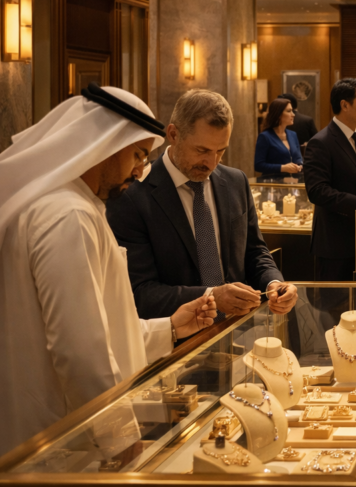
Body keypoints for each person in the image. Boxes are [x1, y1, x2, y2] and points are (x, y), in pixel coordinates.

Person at [0, 84, 216, 456]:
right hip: (59, 443)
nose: (140, 169)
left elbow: (102, 329)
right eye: (137, 154)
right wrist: (120, 439)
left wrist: (171, 327)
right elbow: (81, 350)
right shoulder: (69, 214)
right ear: (102, 144)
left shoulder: (69, 206)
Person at [108, 89, 297, 321]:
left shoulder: (236, 181)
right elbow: (140, 294)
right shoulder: (132, 197)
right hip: (174, 343)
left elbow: (255, 251)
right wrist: (212, 296)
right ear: (173, 134)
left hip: (236, 331)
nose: (211, 163)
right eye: (202, 150)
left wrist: (274, 283)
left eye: (221, 151)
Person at [304, 77, 356, 283]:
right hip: (334, 245)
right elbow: (317, 190)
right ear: (344, 105)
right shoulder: (321, 142)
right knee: (333, 310)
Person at [254, 98, 304, 178]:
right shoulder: (265, 136)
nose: (293, 114)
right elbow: (258, 165)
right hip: (272, 184)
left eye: (292, 111)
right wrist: (282, 168)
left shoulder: (293, 135)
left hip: (293, 183)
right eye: (289, 111)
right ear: (278, 114)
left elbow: (298, 158)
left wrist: (300, 166)